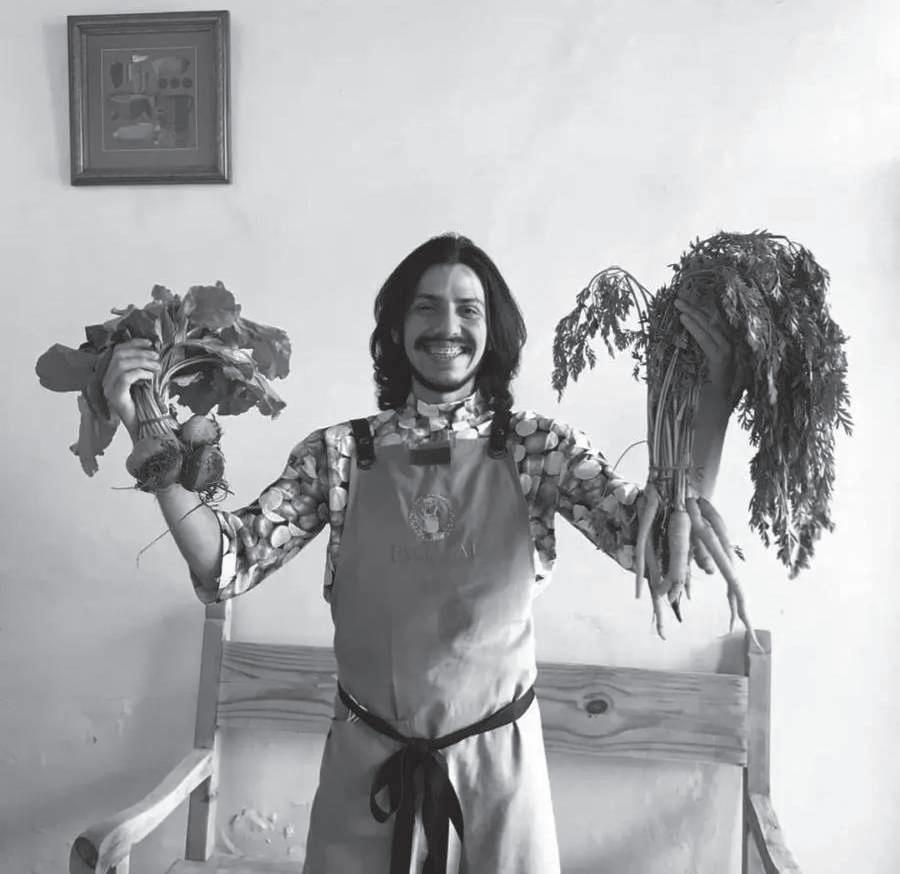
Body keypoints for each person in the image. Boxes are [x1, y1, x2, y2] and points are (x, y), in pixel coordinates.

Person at [102, 233, 737, 874]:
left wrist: (715, 403)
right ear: (398, 327)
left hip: (499, 783)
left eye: (468, 309)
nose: (447, 327)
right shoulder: (337, 455)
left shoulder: (539, 450)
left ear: (493, 330)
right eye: (426, 307)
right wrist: (146, 436)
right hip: (367, 780)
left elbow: (659, 549)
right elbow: (226, 565)